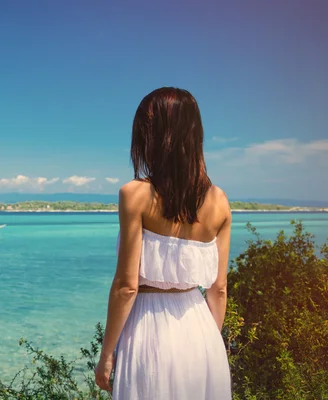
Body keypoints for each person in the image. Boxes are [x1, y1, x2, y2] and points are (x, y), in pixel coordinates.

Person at [95, 87, 232, 399]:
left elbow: (126, 286)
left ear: (151, 137)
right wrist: (209, 339)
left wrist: (106, 355)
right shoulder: (220, 202)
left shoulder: (135, 195)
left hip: (149, 331)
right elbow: (218, 289)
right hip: (202, 333)